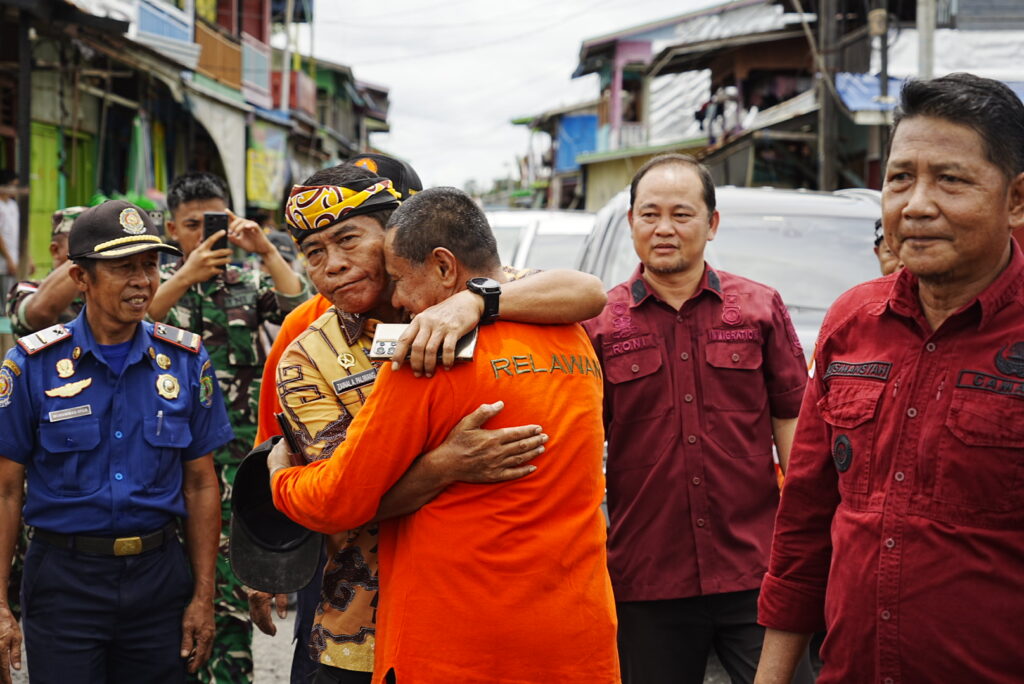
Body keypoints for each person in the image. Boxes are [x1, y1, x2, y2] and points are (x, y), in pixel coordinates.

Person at [253, 161, 610, 683]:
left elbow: (589, 290)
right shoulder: (307, 346)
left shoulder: (500, 302)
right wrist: (443, 467)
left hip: (473, 625)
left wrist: (473, 302)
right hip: (357, 627)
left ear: (398, 232)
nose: (332, 265)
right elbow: (339, 504)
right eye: (313, 252)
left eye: (348, 240)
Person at [754, 72, 1024, 684]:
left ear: (1015, 199)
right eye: (900, 178)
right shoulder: (852, 321)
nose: (917, 204)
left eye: (950, 180)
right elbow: (805, 524)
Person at [582, 153, 812, 684]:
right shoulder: (598, 325)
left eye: (682, 215)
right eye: (650, 214)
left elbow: (793, 427)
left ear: (711, 224)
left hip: (757, 570)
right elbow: (583, 446)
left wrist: (803, 546)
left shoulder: (759, 308)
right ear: (631, 223)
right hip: (647, 577)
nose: (665, 229)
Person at [0, 200, 233, 683]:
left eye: (150, 265)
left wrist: (202, 596)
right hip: (64, 581)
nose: (143, 280)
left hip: (159, 578)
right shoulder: (30, 365)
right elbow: (5, 491)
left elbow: (201, 485)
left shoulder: (187, 361)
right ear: (80, 278)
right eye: (123, 268)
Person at [150, 171, 310, 683]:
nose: (206, 233)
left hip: (236, 453)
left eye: (216, 220)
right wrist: (183, 279)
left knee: (232, 577)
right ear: (173, 227)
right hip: (168, 455)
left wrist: (265, 250)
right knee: (169, 578)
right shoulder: (153, 279)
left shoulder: (246, 282)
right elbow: (133, 326)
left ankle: (232, 667)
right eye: (194, 224)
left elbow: (299, 308)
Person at [6, 206, 88, 337]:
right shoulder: (26, 290)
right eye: (82, 243)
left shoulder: (101, 294)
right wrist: (87, 255)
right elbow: (40, 313)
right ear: (55, 250)